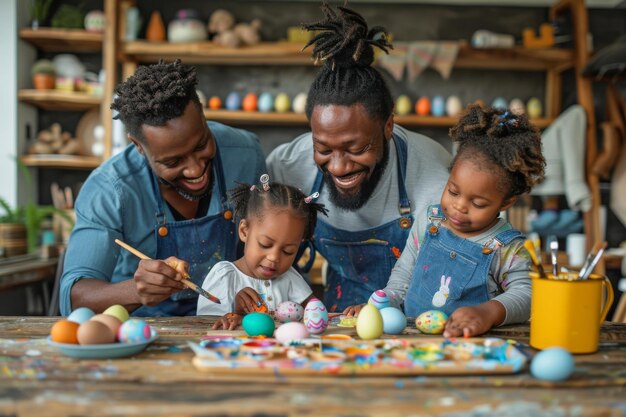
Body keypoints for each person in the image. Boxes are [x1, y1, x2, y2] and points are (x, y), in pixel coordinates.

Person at [266, 3, 451, 312]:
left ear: (388, 125)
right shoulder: (286, 169)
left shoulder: (434, 179)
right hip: (338, 314)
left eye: (356, 149)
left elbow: (445, 278)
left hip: (415, 316)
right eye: (323, 149)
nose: (338, 166)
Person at [59, 60, 266, 317]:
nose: (195, 170)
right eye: (173, 161)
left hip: (230, 323)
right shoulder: (109, 189)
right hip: (145, 332)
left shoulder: (246, 154)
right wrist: (136, 290)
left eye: (201, 145)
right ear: (137, 145)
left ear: (202, 114)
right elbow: (74, 298)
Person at [345, 104, 546, 338]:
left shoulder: (509, 249)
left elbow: (527, 294)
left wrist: (488, 313)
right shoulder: (430, 222)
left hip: (471, 348)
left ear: (506, 203)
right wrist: (380, 307)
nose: (459, 206)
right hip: (411, 342)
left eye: (478, 203)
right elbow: (403, 275)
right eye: (452, 191)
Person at [197, 177, 328, 330]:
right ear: (244, 231)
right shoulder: (224, 277)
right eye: (265, 244)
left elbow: (316, 312)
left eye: (288, 251)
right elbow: (205, 326)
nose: (274, 257)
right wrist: (236, 313)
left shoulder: (289, 278)